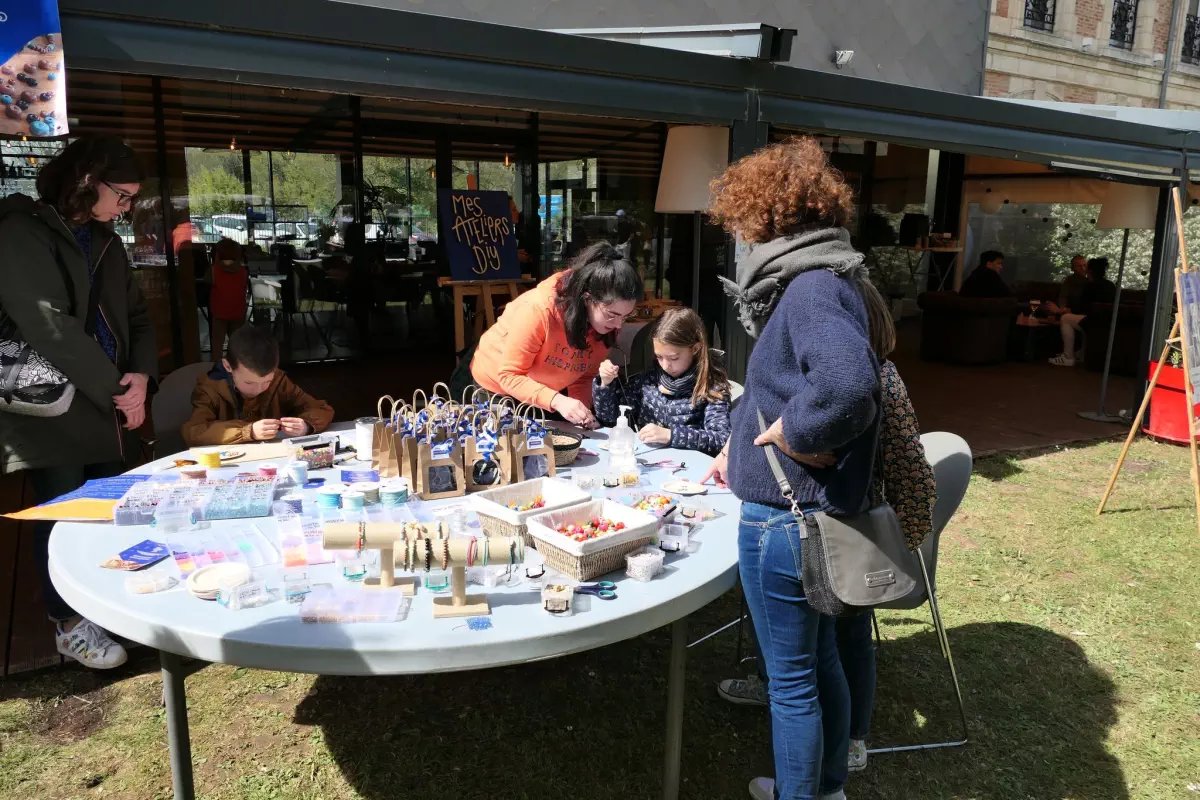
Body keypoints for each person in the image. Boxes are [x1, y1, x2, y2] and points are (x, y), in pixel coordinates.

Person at [702, 136, 893, 800]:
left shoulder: (810, 288)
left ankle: (799, 794)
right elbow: (798, 381)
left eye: (738, 223)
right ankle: (828, 786)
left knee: (791, 681)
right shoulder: (834, 276)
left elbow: (846, 385)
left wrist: (791, 429)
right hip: (813, 511)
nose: (737, 238)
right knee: (820, 663)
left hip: (785, 518)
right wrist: (747, 428)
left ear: (765, 216)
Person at [716, 299, 938, 779]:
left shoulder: (868, 382)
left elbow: (911, 471)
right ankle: (839, 760)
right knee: (833, 649)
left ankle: (851, 741)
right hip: (845, 526)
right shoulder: (867, 377)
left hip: (846, 532)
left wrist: (901, 542)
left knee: (842, 644)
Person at [0, 135, 157, 669]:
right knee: (62, 513)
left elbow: (137, 316)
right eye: (123, 194)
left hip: (105, 401)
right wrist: (119, 388)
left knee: (109, 508)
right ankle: (67, 624)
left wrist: (141, 375)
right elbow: (48, 324)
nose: (127, 207)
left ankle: (104, 606)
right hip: (46, 404)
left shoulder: (106, 240)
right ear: (87, 181)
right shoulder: (21, 230)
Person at [448, 242, 641, 427]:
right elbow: (509, 375)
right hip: (495, 388)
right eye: (612, 315)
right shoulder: (537, 309)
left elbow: (584, 375)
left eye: (626, 316)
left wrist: (581, 414)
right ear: (587, 299)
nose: (618, 324)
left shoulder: (609, 325)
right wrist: (557, 401)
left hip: (542, 391)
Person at [592, 307, 731, 456]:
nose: (665, 365)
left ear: (695, 349)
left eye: (674, 358)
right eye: (659, 357)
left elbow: (721, 440)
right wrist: (605, 384)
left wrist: (671, 435)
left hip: (689, 470)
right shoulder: (649, 380)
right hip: (648, 465)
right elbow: (610, 419)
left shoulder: (712, 387)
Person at [182, 325, 333, 445]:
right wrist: (248, 431)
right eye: (249, 382)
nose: (259, 389)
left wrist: (306, 425)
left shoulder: (279, 382)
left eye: (267, 381)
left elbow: (320, 408)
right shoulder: (210, 388)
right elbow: (194, 431)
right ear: (228, 367)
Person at [1050, 256, 1117, 367]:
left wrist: (1060, 311)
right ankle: (1082, 354)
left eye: (1085, 266)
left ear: (1090, 271)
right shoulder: (1110, 285)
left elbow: (1081, 308)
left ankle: (1068, 357)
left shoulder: (1089, 286)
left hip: (1093, 321)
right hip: (1107, 321)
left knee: (1066, 318)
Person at [209, 238, 248, 360]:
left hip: (219, 312)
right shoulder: (243, 271)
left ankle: (217, 367)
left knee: (217, 343)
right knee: (237, 342)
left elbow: (206, 281)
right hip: (238, 311)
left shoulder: (214, 270)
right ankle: (237, 364)